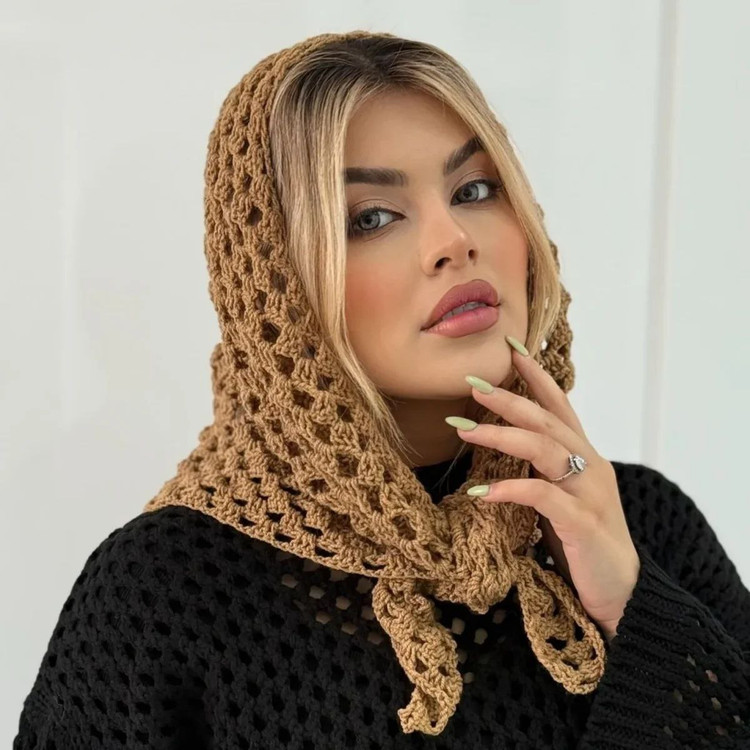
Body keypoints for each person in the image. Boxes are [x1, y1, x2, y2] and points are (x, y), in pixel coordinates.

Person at [13, 30, 750, 749]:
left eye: (475, 189)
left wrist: (634, 611)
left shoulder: (642, 527)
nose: (453, 240)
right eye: (372, 218)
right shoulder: (166, 593)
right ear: (279, 285)